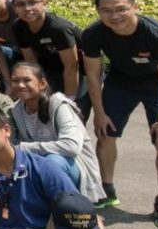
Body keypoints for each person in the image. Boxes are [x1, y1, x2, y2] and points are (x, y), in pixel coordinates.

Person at [81, 0, 158, 228]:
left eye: (121, 9)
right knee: (105, 135)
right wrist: (100, 113)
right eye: (106, 10)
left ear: (134, 6)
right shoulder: (93, 34)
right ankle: (106, 190)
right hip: (120, 82)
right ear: (98, 11)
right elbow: (93, 76)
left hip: (157, 85)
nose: (114, 16)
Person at [10, 62, 106, 203]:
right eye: (15, 81)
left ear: (42, 83)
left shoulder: (59, 105)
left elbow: (71, 147)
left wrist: (24, 147)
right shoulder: (16, 110)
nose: (20, 85)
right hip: (40, 166)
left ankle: (66, 208)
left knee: (52, 162)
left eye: (27, 80)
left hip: (74, 167)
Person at [12, 0, 85, 108]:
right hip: (51, 68)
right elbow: (31, 61)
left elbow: (72, 66)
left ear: (44, 3)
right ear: (14, 8)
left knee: (73, 114)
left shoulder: (59, 29)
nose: (27, 8)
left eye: (32, 2)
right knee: (44, 107)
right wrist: (39, 90)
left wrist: (69, 100)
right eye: (21, 4)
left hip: (81, 71)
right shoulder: (18, 26)